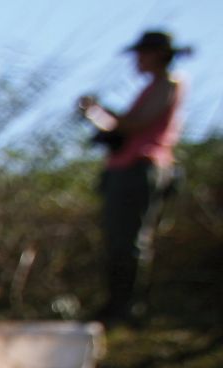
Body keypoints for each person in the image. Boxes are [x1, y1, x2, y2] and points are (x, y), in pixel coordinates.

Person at [78, 29, 190, 325]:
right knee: (118, 240)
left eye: (142, 53)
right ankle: (117, 306)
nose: (137, 60)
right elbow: (123, 128)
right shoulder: (152, 87)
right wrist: (96, 115)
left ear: (159, 55)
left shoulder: (169, 84)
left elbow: (135, 125)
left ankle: (127, 309)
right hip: (124, 168)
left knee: (130, 242)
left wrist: (101, 112)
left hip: (141, 168)